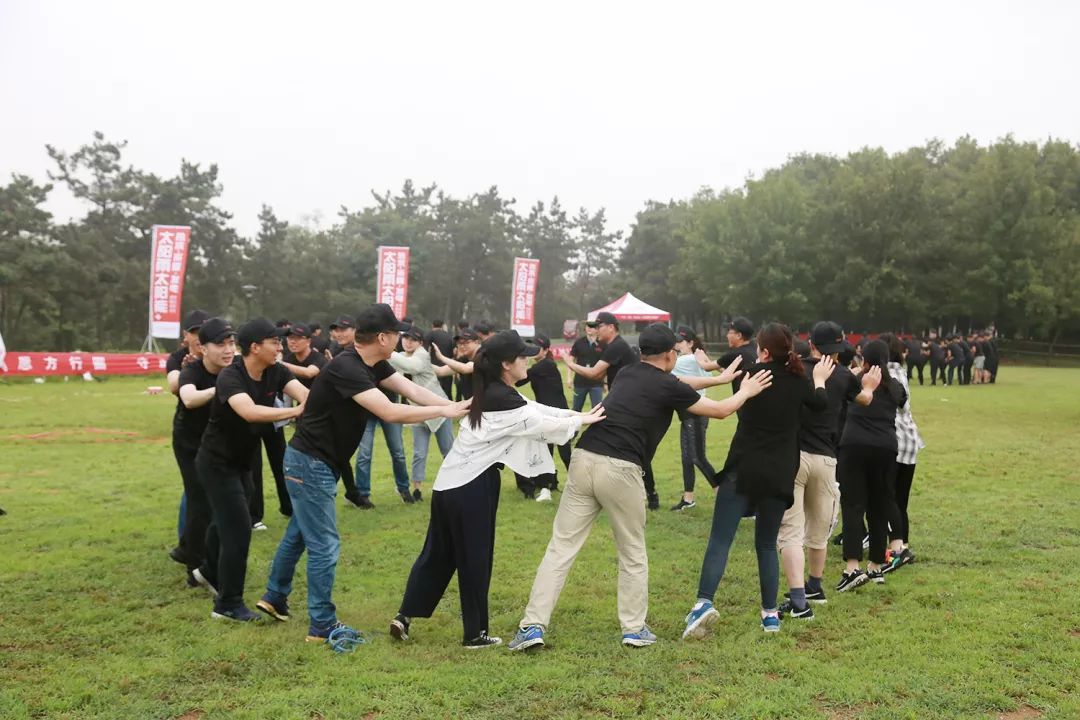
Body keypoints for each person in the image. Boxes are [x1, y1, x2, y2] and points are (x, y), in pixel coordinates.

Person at [509, 324, 771, 652]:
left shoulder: (628, 373)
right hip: (620, 469)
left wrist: (717, 380)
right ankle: (634, 628)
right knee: (632, 551)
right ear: (668, 355)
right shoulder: (665, 384)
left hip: (584, 458)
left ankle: (532, 625)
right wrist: (744, 391)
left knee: (560, 548)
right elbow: (719, 410)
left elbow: (678, 384)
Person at [258, 304, 471, 643]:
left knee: (299, 533)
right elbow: (389, 411)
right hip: (309, 464)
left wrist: (452, 405)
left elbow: (410, 390)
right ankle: (322, 625)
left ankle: (274, 597)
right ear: (384, 337)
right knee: (324, 545)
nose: (401, 337)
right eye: (397, 333)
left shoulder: (374, 362)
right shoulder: (346, 366)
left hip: (315, 463)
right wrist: (446, 409)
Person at [390, 331, 602, 649]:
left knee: (437, 553)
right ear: (506, 363)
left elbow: (540, 410)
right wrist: (583, 420)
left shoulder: (494, 391)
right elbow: (544, 424)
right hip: (473, 487)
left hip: (447, 486)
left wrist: (581, 416)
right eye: (521, 356)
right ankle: (475, 634)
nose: (527, 359)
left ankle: (404, 616)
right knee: (475, 558)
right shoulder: (504, 399)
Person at [682, 323, 834, 637]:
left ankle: (703, 603)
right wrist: (818, 380)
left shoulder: (751, 376)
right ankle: (769, 616)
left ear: (763, 351)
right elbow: (820, 405)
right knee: (766, 544)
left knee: (720, 539)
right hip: (779, 472)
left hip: (743, 467)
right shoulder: (797, 380)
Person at [191, 318, 308, 622]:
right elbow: (249, 412)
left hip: (243, 461)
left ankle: (206, 570)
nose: (280, 347)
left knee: (226, 519)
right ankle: (227, 603)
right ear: (255, 347)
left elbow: (305, 394)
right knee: (239, 527)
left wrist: (310, 403)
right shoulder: (232, 376)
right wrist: (294, 411)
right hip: (216, 462)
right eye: (275, 342)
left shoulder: (277, 370)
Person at [775, 322, 878, 621]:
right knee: (819, 528)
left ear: (811, 344)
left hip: (793, 456)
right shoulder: (844, 374)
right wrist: (868, 385)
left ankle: (798, 595)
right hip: (827, 458)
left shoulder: (795, 369)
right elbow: (865, 399)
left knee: (791, 529)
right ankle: (815, 585)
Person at [835, 339, 908, 593]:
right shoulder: (895, 386)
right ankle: (876, 566)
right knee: (879, 505)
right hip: (886, 448)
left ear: (863, 359)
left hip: (854, 446)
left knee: (853, 505)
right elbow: (902, 401)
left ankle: (852, 567)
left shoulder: (855, 380)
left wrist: (857, 373)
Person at [563, 311, 654, 507]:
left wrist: (570, 364)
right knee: (627, 445)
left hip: (628, 403)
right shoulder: (612, 346)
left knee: (630, 446)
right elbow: (598, 377)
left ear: (611, 327)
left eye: (599, 326)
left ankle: (648, 492)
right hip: (621, 401)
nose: (596, 330)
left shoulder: (617, 346)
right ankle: (631, 490)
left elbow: (594, 372)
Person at [171, 318, 237, 583]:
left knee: (226, 502)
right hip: (189, 443)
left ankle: (188, 548)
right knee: (200, 500)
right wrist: (217, 388)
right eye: (220, 344)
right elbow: (188, 398)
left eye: (231, 343)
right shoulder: (193, 371)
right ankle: (195, 567)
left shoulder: (235, 369)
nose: (227, 350)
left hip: (218, 443)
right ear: (202, 347)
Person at [388, 325, 457, 502]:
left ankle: (458, 484)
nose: (408, 342)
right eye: (405, 338)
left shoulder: (422, 356)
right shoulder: (401, 356)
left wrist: (388, 350)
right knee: (419, 453)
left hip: (439, 411)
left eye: (413, 340)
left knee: (448, 450)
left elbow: (410, 367)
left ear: (420, 343)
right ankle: (417, 489)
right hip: (418, 412)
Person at [166, 309, 209, 554]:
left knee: (204, 489)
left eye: (204, 332)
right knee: (195, 489)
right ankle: (188, 545)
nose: (200, 337)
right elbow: (174, 386)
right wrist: (188, 371)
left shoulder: (220, 355)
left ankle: (195, 543)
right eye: (195, 332)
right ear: (186, 336)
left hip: (215, 432)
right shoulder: (178, 358)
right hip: (188, 433)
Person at [880, 334, 923, 572]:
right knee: (900, 500)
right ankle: (902, 544)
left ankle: (896, 548)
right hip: (910, 441)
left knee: (888, 497)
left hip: (894, 441)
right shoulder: (901, 372)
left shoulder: (886, 374)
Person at [513, 333, 572, 502]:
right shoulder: (541, 365)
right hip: (546, 414)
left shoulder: (546, 365)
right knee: (546, 451)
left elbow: (520, 380)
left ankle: (575, 485)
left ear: (546, 350)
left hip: (558, 415)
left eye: (537, 346)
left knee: (565, 453)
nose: (533, 349)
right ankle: (548, 486)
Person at [670, 326, 718, 512]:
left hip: (696, 413)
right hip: (689, 413)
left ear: (690, 343)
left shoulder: (686, 360)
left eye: (680, 342)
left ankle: (721, 493)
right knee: (687, 458)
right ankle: (688, 499)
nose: (676, 345)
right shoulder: (696, 359)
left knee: (698, 457)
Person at [566, 321, 604, 412]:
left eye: (592, 326)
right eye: (588, 326)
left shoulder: (602, 344)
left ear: (597, 329)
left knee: (597, 409)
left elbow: (605, 365)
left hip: (596, 383)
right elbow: (570, 361)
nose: (589, 328)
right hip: (580, 382)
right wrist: (569, 377)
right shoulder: (579, 342)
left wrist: (606, 382)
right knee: (576, 409)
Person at [425, 320, 455, 399]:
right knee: (448, 391)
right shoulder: (449, 336)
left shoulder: (430, 335)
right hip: (448, 367)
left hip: (434, 367)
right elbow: (453, 352)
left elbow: (424, 349)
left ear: (432, 325)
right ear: (442, 325)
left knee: (433, 392)